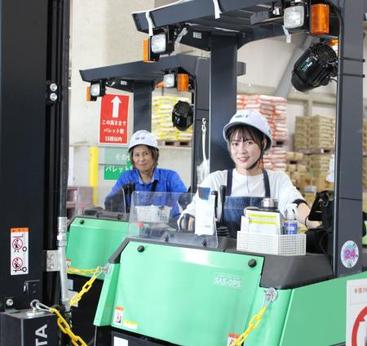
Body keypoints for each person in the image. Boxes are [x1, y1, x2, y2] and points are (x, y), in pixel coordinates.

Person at [181, 109, 319, 237]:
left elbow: (295, 203)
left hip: (267, 260)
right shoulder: (216, 181)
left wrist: (314, 224)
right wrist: (193, 222)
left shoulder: (277, 180)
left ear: (263, 143)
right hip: (224, 260)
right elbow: (190, 214)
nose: (241, 150)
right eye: (235, 143)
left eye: (249, 142)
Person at [105, 130, 187, 212]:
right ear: (132, 158)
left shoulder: (170, 177)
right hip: (134, 224)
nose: (141, 159)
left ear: (154, 155)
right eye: (137, 155)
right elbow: (110, 203)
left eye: (146, 154)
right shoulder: (126, 178)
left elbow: (185, 199)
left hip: (167, 224)